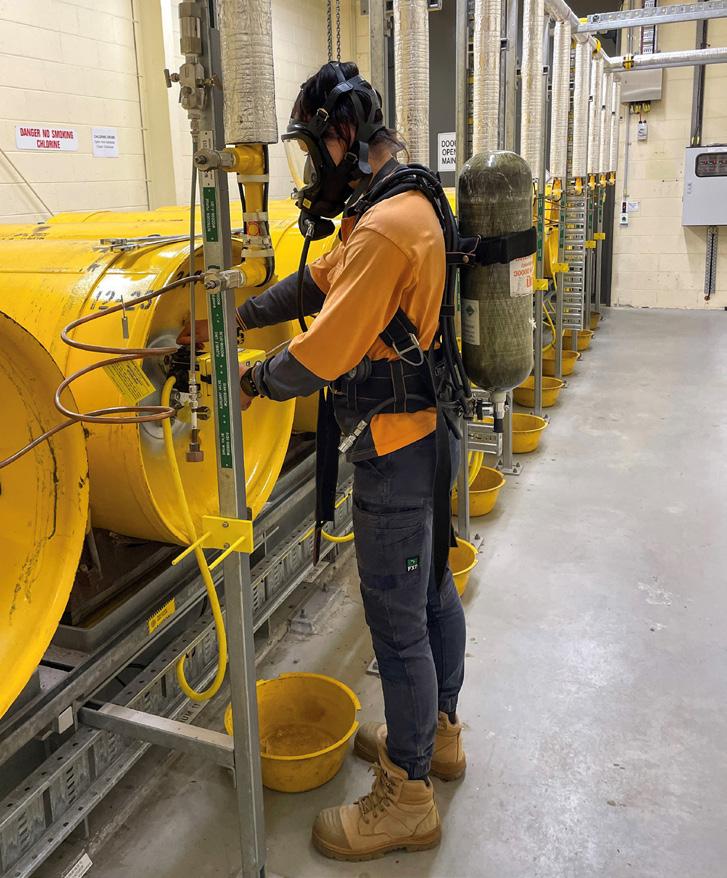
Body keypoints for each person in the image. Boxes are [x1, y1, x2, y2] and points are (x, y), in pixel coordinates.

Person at [179, 61, 467, 862]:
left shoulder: (382, 227)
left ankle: (408, 797)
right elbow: (317, 283)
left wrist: (251, 381)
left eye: (312, 149)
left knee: (397, 627)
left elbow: (324, 352)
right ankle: (436, 735)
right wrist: (238, 312)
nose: (311, 168)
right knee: (432, 594)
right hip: (431, 434)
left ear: (344, 134)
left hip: (397, 451)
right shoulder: (401, 201)